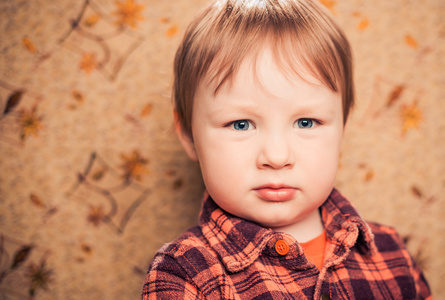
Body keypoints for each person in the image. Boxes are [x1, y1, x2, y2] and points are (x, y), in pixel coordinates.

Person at [141, 0, 432, 299]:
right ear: (188, 136)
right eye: (241, 124)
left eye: (306, 122)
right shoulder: (185, 274)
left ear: (342, 128)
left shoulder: (392, 253)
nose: (277, 157)